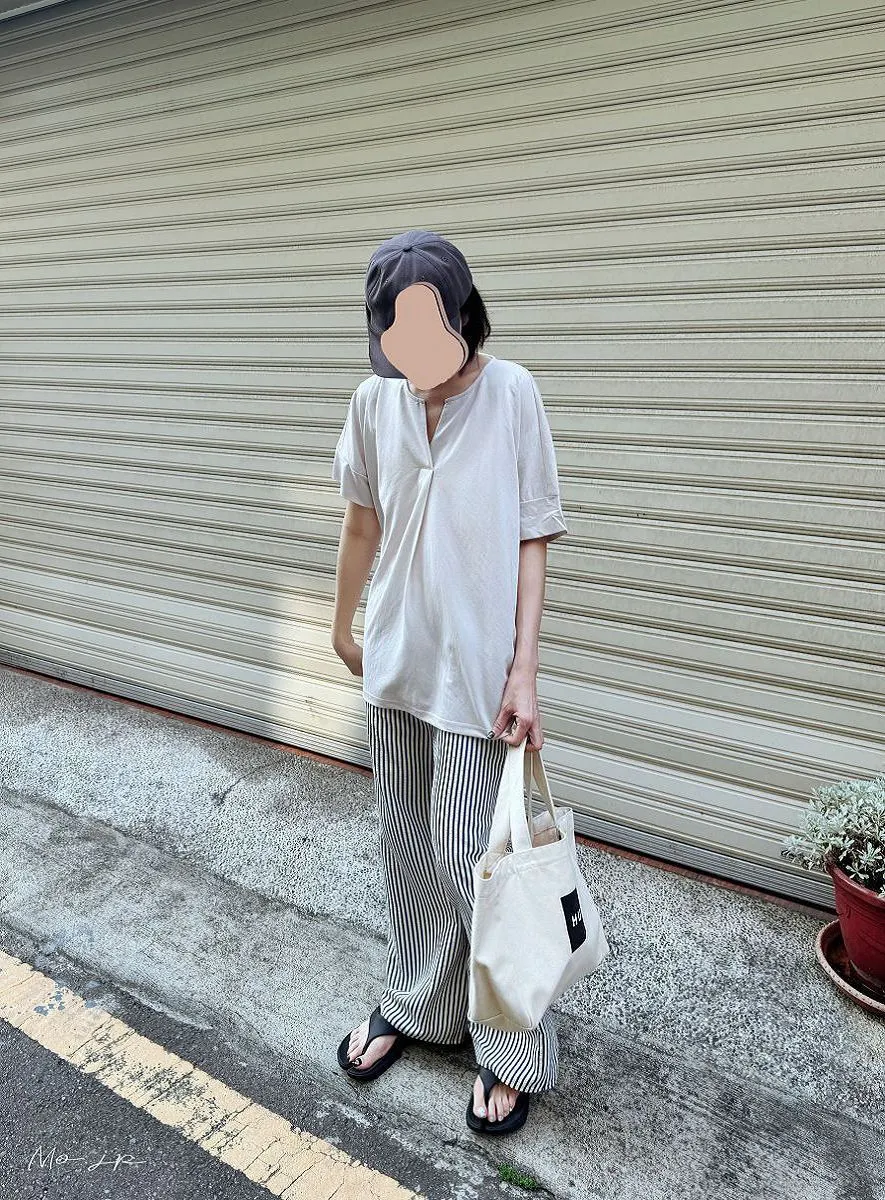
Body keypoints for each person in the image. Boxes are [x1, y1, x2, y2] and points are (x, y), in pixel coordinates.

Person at [330, 230, 568, 1136]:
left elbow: (532, 535)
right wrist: (341, 621)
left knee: (481, 864)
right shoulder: (373, 401)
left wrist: (524, 672)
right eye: (397, 347)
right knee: (407, 850)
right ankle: (420, 1004)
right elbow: (361, 521)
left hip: (477, 676)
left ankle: (511, 1049)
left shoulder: (512, 394)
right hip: (398, 660)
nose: (415, 369)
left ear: (467, 321)